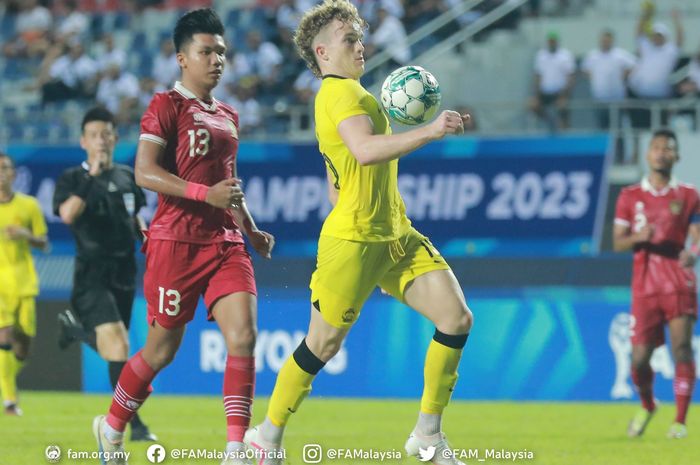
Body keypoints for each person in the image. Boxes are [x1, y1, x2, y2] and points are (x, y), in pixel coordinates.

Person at [244, 2, 472, 465]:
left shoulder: (353, 94)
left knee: (456, 318)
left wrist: (360, 202)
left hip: (395, 235)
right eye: (349, 39)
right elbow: (366, 152)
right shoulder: (338, 94)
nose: (359, 45)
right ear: (323, 52)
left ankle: (427, 434)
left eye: (359, 37)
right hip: (353, 244)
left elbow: (337, 175)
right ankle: (265, 436)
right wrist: (430, 131)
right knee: (321, 346)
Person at [91, 9, 274, 465]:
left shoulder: (229, 115)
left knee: (245, 336)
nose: (217, 60)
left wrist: (249, 227)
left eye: (222, 53)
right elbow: (144, 172)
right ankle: (111, 425)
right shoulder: (164, 107)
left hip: (225, 242)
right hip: (175, 243)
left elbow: (228, 184)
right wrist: (202, 193)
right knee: (161, 349)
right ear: (181, 58)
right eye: (206, 52)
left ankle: (235, 449)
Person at [52, 107, 156, 441]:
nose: (101, 140)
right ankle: (134, 427)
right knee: (118, 345)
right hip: (91, 274)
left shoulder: (127, 176)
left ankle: (76, 332)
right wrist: (91, 178)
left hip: (124, 273)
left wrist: (145, 235)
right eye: (94, 135)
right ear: (84, 141)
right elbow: (67, 214)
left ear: (114, 137)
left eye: (106, 133)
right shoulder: (73, 178)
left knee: (118, 350)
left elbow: (136, 216)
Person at [613, 128, 699, 439]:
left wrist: (693, 253)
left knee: (682, 349)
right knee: (638, 359)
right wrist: (639, 237)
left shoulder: (689, 194)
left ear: (677, 156)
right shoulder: (629, 196)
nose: (662, 152)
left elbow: (697, 235)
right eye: (657, 147)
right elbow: (618, 242)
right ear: (648, 154)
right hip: (645, 285)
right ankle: (649, 404)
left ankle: (680, 422)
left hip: (679, 281)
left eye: (668, 148)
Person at [0, 152, 48, 416]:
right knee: (4, 337)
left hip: (24, 284)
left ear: (14, 174)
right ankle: (9, 401)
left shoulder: (29, 206)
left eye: (5, 168)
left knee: (22, 347)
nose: (0, 174)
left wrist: (25, 234)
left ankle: (5, 377)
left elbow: (44, 243)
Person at [581, 29, 636, 129]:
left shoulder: (620, 55)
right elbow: (584, 69)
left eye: (607, 40)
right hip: (599, 99)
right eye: (603, 40)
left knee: (618, 128)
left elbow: (634, 65)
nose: (605, 43)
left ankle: (619, 145)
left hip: (616, 100)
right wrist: (594, 79)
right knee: (601, 127)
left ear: (612, 41)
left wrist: (624, 76)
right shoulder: (593, 56)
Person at [528, 31, 575, 131]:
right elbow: (537, 76)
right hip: (545, 92)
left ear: (557, 42)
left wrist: (564, 95)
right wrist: (535, 95)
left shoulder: (565, 55)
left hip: (560, 92)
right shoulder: (541, 55)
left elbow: (570, 77)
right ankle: (551, 121)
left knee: (562, 106)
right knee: (532, 105)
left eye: (553, 41)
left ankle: (565, 127)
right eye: (550, 41)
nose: (552, 43)